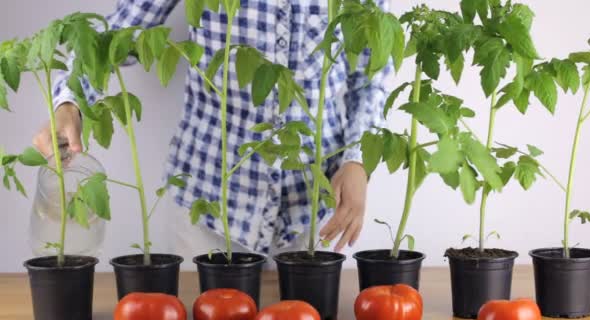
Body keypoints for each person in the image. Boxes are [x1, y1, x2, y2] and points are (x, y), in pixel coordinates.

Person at [33, 0, 391, 264]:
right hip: (205, 212)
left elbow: (370, 77)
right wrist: (69, 102)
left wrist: (358, 161)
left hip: (314, 207)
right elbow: (118, 35)